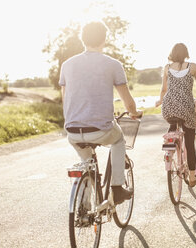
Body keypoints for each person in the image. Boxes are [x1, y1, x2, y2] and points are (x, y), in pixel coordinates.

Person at [59, 21, 142, 205]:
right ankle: (118, 189)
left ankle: (84, 206)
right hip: (101, 129)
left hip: (72, 131)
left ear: (82, 39)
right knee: (119, 140)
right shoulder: (113, 65)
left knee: (86, 161)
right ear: (104, 39)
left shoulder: (67, 65)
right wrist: (135, 112)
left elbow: (65, 99)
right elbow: (128, 102)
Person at [156, 43, 196, 187]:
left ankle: (169, 147)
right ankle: (192, 177)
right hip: (186, 108)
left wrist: (160, 101)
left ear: (172, 54)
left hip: (168, 107)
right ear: (186, 53)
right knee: (189, 141)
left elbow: (163, 90)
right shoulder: (193, 67)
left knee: (173, 125)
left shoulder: (167, 68)